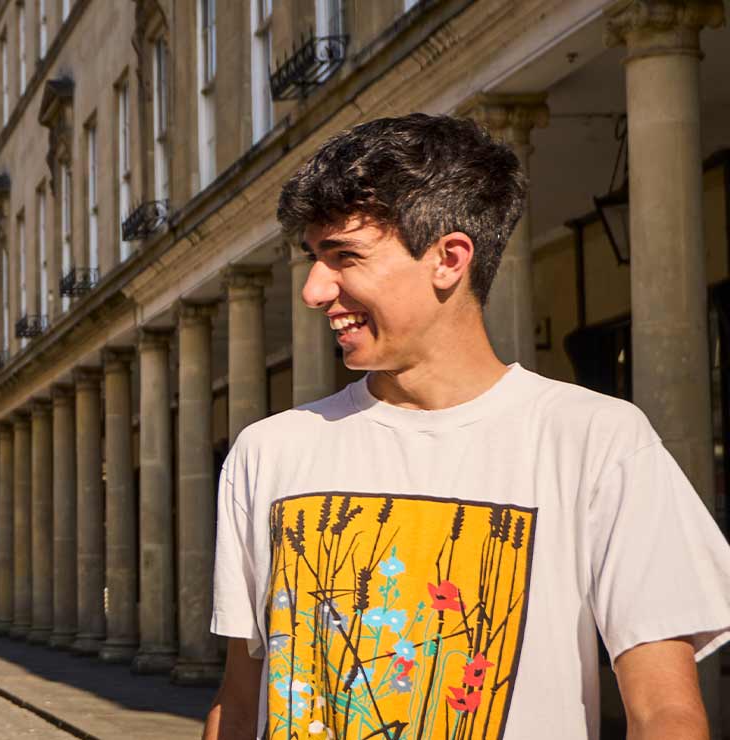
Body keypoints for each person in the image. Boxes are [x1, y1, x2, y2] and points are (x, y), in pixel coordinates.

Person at [203, 114, 730, 740]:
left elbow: (664, 713)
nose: (315, 290)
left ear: (448, 259)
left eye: (344, 255)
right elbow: (239, 704)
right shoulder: (269, 452)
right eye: (315, 258)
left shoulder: (597, 441)